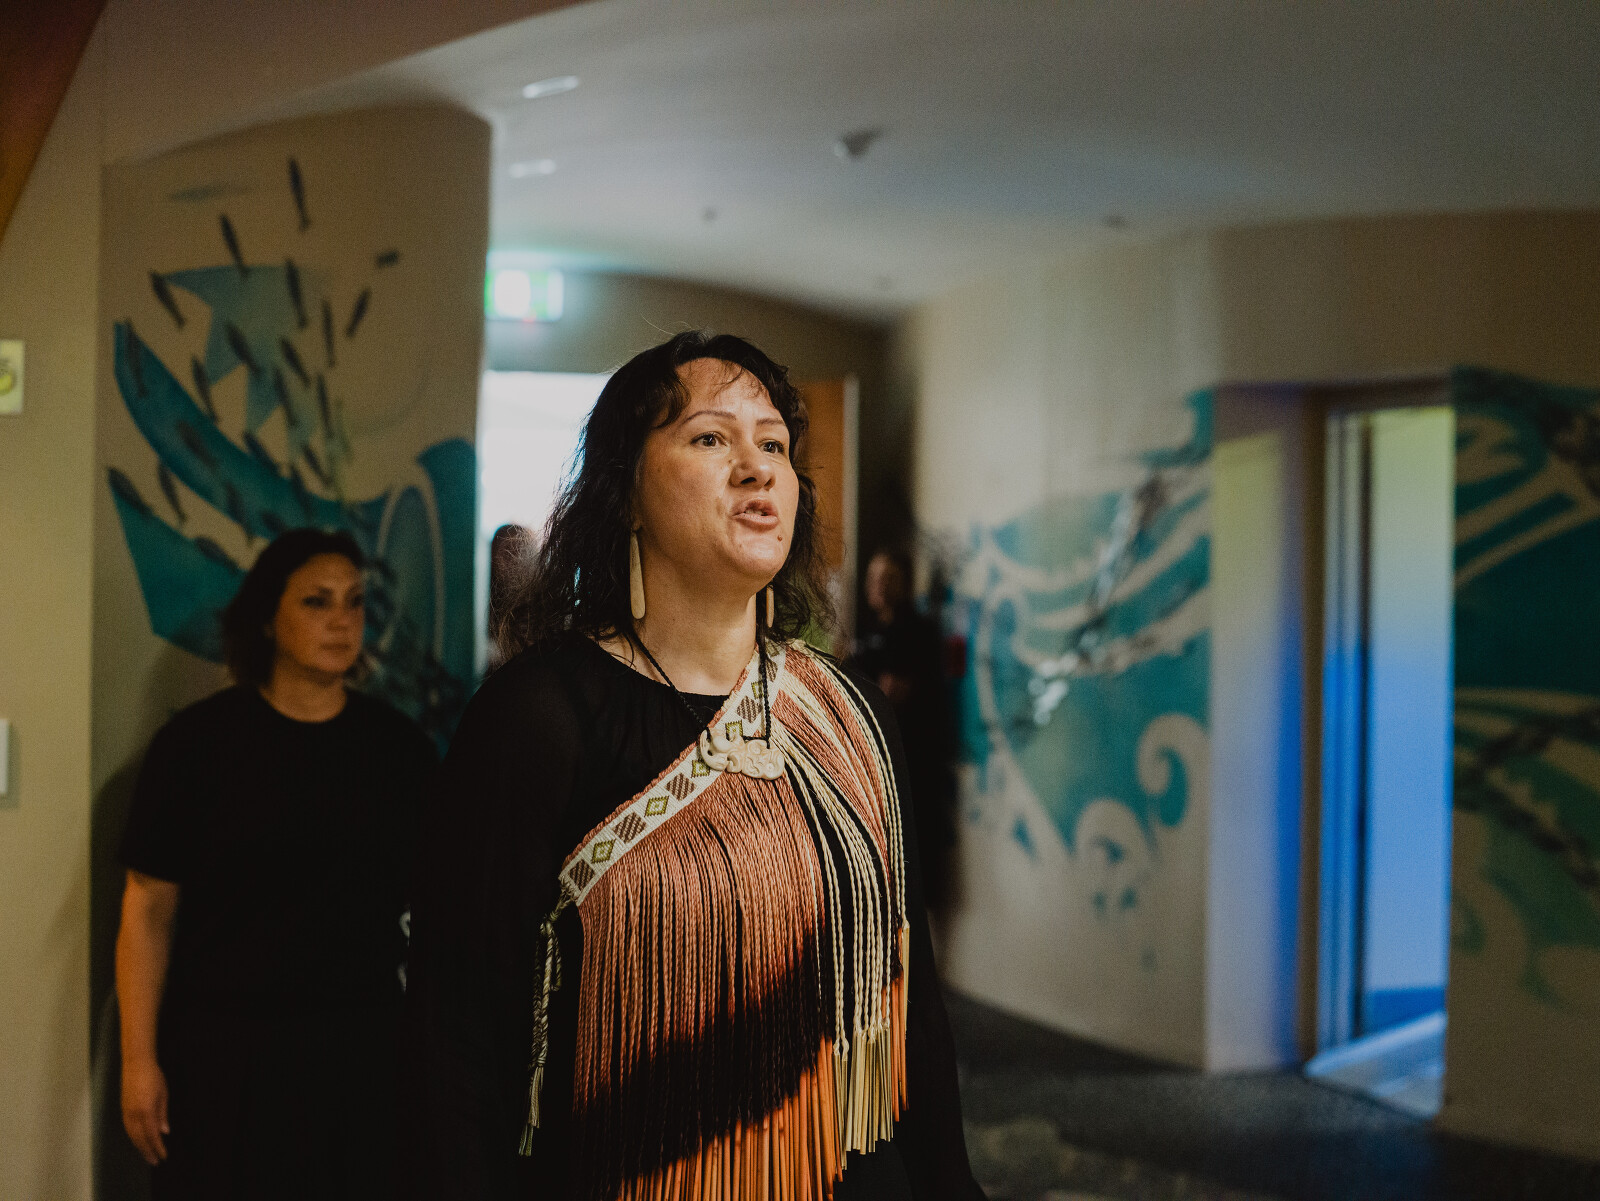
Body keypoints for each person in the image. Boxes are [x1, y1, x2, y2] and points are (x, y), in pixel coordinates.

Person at [407, 331, 984, 1200]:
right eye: (711, 437)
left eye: (775, 445)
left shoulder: (854, 713)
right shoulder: (538, 717)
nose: (757, 469)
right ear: (626, 494)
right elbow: (456, 1033)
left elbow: (916, 1011)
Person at [116, 528, 438, 1201]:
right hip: (223, 1054)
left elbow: (436, 913)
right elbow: (147, 909)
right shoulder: (197, 746)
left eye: (355, 601)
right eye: (317, 601)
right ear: (268, 616)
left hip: (358, 1052)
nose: (342, 620)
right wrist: (138, 1059)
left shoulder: (399, 752)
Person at [850, 550, 957, 916]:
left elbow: (890, 692)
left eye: (888, 578)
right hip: (872, 763)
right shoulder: (867, 630)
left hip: (911, 761)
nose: (878, 586)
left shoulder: (917, 631)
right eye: (873, 578)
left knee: (913, 860)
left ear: (904, 584)